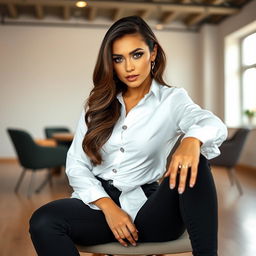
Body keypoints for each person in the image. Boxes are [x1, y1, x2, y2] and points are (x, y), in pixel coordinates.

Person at [29, 15, 228, 256]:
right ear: (110, 62)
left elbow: (212, 123)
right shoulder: (97, 104)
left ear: (152, 53)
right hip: (99, 210)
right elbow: (76, 164)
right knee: (43, 221)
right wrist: (108, 207)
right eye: (118, 59)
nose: (129, 67)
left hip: (151, 212)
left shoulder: (172, 99)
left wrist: (191, 140)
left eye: (137, 54)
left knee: (195, 161)